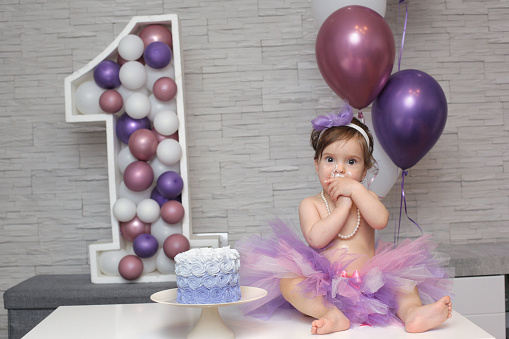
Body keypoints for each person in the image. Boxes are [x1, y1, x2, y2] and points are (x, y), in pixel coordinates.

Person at [236, 103, 453, 334]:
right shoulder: (311, 204)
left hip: (372, 282)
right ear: (316, 164)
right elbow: (316, 239)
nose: (339, 169)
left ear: (364, 169)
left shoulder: (366, 197)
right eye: (330, 160)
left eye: (351, 162)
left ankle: (413, 313)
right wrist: (343, 206)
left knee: (406, 285)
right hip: (327, 288)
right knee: (289, 282)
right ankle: (331, 314)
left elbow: (381, 220)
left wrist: (357, 193)